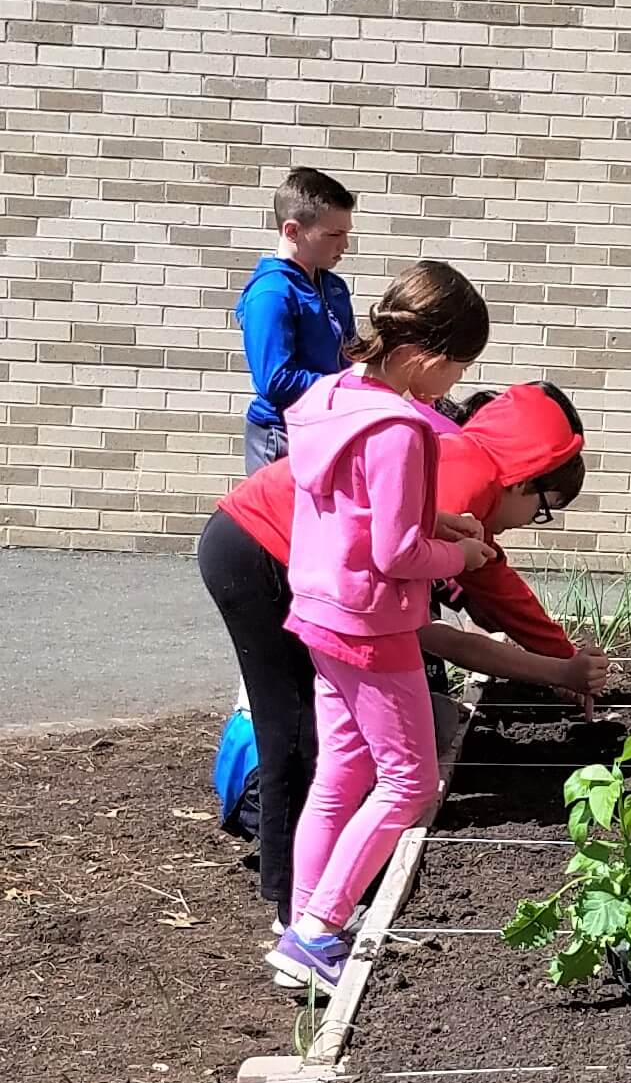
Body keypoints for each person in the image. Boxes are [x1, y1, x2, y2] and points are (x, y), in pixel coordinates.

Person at [200, 376, 608, 954]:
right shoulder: (464, 478)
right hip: (264, 553)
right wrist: (558, 668)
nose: (531, 523)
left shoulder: (470, 467)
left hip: (312, 582)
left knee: (337, 758)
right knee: (310, 741)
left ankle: (306, 919)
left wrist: (560, 657)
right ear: (528, 480)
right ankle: (302, 917)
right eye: (545, 510)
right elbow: (427, 625)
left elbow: (493, 586)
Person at [252, 261, 496, 992]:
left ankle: (302, 923)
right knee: (411, 780)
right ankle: (319, 929)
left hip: (321, 606)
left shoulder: (331, 396)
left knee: (343, 773)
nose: (450, 385)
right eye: (454, 369)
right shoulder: (399, 429)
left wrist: (437, 519)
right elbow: (394, 551)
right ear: (423, 355)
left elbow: (358, 510)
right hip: (372, 622)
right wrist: (463, 549)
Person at [236, 167, 357, 473]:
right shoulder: (271, 293)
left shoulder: (334, 287)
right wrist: (345, 387)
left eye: (347, 233)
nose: (345, 246)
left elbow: (351, 355)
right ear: (292, 231)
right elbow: (275, 380)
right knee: (282, 522)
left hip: (324, 430)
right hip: (281, 436)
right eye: (334, 235)